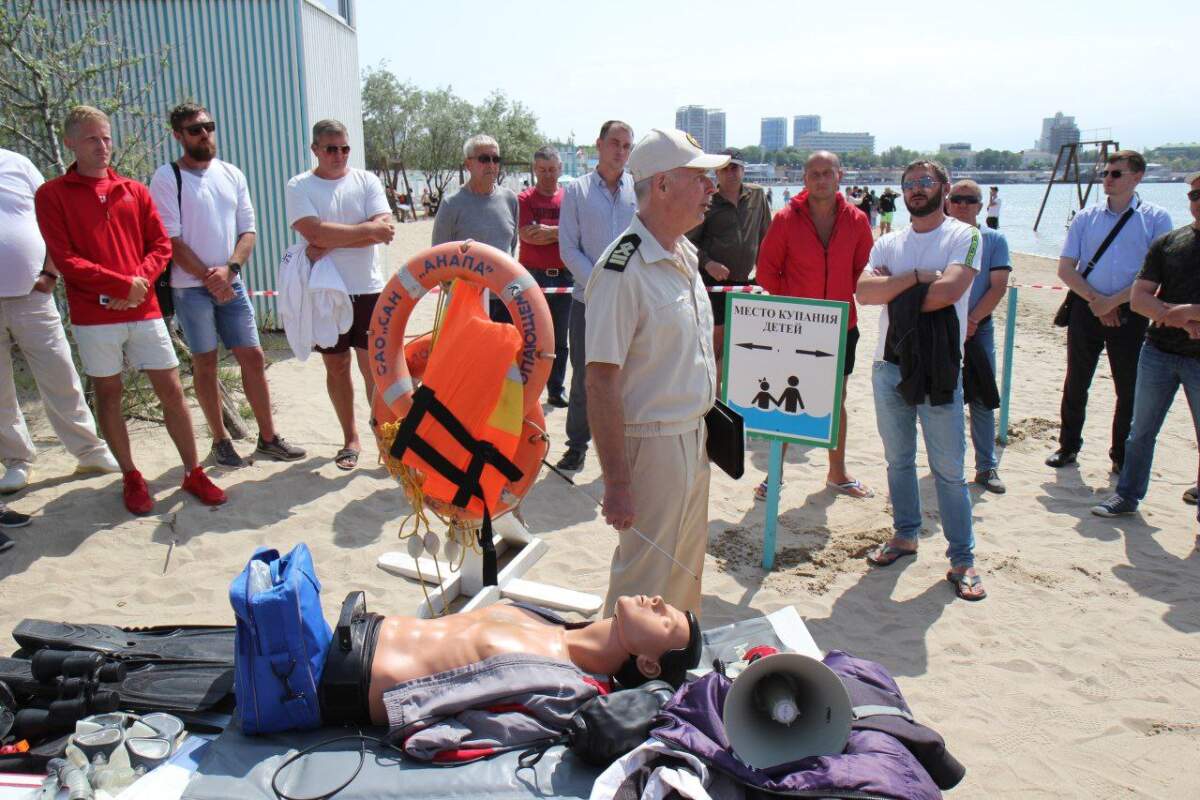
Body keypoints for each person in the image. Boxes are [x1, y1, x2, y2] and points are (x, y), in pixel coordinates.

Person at [35, 106, 226, 515]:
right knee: (109, 393)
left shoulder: (134, 190)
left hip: (144, 310)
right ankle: (131, 476)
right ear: (71, 142)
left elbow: (159, 246)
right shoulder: (51, 195)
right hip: (94, 316)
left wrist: (137, 284)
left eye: (105, 137)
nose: (102, 146)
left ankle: (192, 471)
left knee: (172, 390)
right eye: (91, 139)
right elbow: (65, 258)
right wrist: (121, 285)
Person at [585, 128, 726, 616]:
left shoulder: (682, 252)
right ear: (662, 185)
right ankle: (620, 682)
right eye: (700, 177)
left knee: (684, 574)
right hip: (651, 447)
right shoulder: (621, 269)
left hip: (694, 436)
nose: (712, 187)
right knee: (643, 579)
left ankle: (669, 672)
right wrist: (617, 483)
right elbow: (600, 380)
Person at [855, 160, 986, 601]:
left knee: (948, 470)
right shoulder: (890, 242)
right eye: (909, 184)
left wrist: (894, 289)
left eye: (925, 182)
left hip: (939, 367)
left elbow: (950, 291)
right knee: (898, 460)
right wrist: (912, 278)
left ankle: (962, 558)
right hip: (887, 365)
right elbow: (864, 293)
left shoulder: (964, 236)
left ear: (944, 188)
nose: (916, 190)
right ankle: (905, 534)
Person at [150, 102, 304, 468]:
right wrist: (210, 277)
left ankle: (268, 438)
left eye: (208, 126)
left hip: (232, 284)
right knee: (206, 363)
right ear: (178, 136)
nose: (204, 134)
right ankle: (221, 441)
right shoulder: (167, 177)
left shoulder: (231, 174)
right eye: (194, 129)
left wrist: (230, 271)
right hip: (190, 289)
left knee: (252, 356)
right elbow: (171, 240)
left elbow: (247, 230)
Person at [755, 151, 874, 500]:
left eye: (827, 173)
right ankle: (773, 475)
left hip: (842, 325)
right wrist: (795, 307)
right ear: (804, 179)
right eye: (814, 174)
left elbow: (863, 272)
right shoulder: (786, 218)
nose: (821, 179)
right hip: (796, 327)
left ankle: (837, 473)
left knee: (837, 399)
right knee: (787, 400)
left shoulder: (856, 220)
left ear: (840, 175)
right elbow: (766, 272)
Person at [1, 147, 119, 497]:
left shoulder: (17, 163)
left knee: (60, 372)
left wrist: (51, 272)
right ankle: (16, 460)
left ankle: (90, 451)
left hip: (32, 292)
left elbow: (54, 218)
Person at [1046, 150, 1173, 473]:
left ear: (1137, 176)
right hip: (1086, 308)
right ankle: (1068, 446)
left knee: (1127, 386)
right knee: (1076, 381)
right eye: (1105, 173)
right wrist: (1095, 301)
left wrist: (1113, 302)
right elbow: (1065, 268)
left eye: (1116, 173)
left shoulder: (1156, 218)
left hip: (1132, 312)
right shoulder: (1086, 217)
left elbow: (1157, 275)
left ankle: (1120, 455)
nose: (1108, 179)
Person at [286, 119, 394, 471]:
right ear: (315, 149)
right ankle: (350, 439)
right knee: (336, 365)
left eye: (344, 148)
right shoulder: (299, 185)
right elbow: (311, 230)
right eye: (331, 148)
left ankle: (385, 437)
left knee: (374, 369)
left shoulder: (367, 181)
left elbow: (385, 230)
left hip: (368, 288)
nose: (338, 155)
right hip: (326, 289)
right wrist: (365, 231)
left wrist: (328, 240)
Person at [1091, 172, 1200, 521]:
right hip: (1159, 352)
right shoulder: (1170, 242)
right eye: (1194, 195)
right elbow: (1139, 299)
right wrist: (1178, 316)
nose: (1197, 201)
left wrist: (1191, 312)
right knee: (1140, 432)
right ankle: (1127, 495)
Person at [556, 120, 637, 472]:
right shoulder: (576, 190)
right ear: (599, 145)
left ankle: (629, 448)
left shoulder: (640, 189)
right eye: (615, 143)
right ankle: (577, 445)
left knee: (632, 375)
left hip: (633, 302)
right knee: (585, 377)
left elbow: (644, 240)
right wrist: (600, 285)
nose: (620, 151)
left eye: (626, 146)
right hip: (587, 302)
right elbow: (568, 248)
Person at [685, 147, 771, 390]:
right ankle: (709, 393)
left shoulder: (757, 196)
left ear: (743, 170)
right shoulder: (708, 201)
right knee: (716, 343)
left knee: (744, 344)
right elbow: (688, 241)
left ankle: (724, 394)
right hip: (715, 285)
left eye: (735, 167)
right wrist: (708, 263)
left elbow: (767, 235)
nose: (730, 172)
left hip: (747, 284)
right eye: (725, 168)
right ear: (717, 172)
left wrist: (767, 274)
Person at [945, 179, 1010, 494]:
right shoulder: (939, 238)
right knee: (945, 399)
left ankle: (986, 466)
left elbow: (998, 285)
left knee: (982, 400)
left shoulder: (993, 239)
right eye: (956, 199)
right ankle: (949, 467)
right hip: (943, 329)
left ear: (981, 206)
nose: (962, 205)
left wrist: (972, 319)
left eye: (969, 200)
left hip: (978, 329)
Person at [431, 134, 519, 322]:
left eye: (495, 159)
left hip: (505, 301)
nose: (491, 164)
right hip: (467, 303)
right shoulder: (451, 205)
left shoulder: (510, 199)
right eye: (484, 159)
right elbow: (438, 258)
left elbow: (512, 246)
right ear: (468, 164)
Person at [518, 146, 571, 407]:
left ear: (560, 169)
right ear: (535, 170)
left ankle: (556, 389)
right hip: (532, 277)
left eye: (552, 169)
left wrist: (549, 231)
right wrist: (561, 232)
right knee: (530, 337)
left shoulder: (569, 198)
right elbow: (528, 234)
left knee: (560, 338)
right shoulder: (525, 199)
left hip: (564, 277)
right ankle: (529, 390)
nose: (548, 175)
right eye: (542, 170)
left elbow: (577, 234)